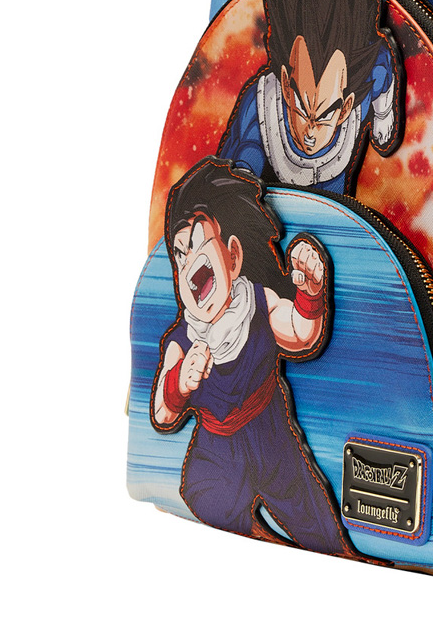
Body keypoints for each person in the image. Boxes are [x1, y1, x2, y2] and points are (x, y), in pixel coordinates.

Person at [151, 157, 353, 553]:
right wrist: (178, 383)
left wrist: (310, 294)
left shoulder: (258, 303)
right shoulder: (182, 341)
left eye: (197, 247)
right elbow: (161, 413)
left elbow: (300, 334)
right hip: (217, 451)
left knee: (316, 523)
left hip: (273, 436)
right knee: (208, 503)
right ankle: (258, 538)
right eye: (179, 256)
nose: (188, 263)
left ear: (233, 256)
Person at [218, 0, 403, 194]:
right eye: (302, 110)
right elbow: (239, 167)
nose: (311, 131)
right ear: (285, 84)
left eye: (325, 115)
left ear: (345, 107)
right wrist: (243, 183)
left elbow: (382, 62)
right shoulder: (262, 106)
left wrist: (384, 115)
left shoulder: (362, 86)